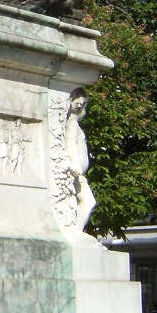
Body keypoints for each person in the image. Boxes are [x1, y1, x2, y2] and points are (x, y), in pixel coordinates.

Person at [64, 88, 96, 230]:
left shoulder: (74, 124)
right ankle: (76, 231)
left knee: (88, 202)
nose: (81, 107)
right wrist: (75, 164)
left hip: (78, 175)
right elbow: (70, 144)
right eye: (79, 104)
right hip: (75, 173)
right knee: (88, 201)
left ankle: (77, 230)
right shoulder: (72, 124)